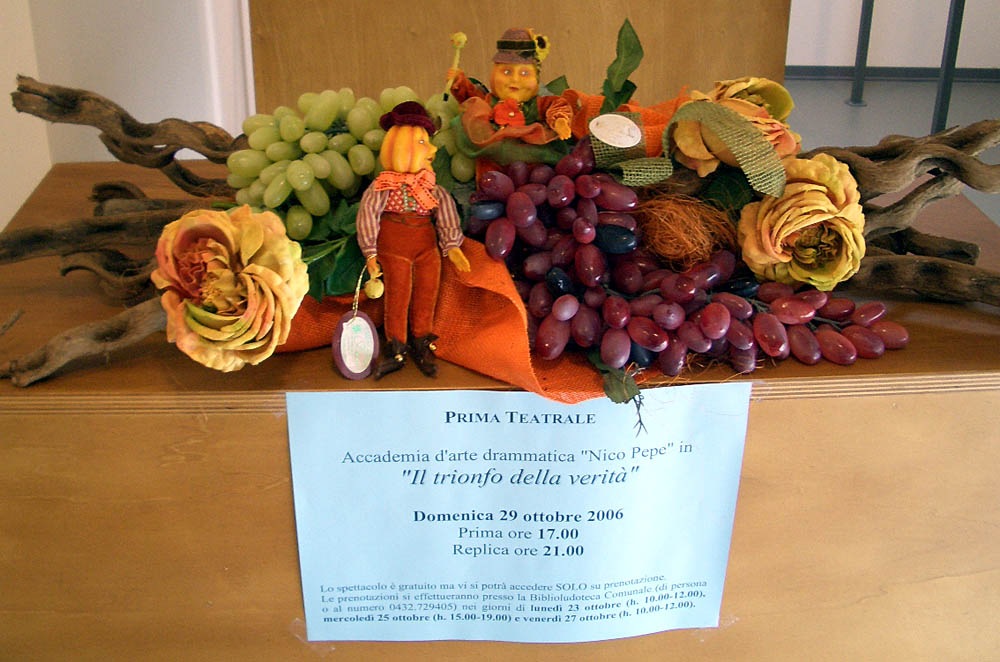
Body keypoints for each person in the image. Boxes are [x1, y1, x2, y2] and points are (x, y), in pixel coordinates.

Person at [356, 102, 470, 378]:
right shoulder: (383, 185)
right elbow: (368, 215)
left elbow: (445, 214)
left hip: (426, 247)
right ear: (401, 147)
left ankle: (422, 341)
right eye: (422, 142)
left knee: (428, 291)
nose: (432, 149)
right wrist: (370, 252)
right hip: (394, 248)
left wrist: (452, 246)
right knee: (398, 294)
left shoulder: (431, 187)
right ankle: (396, 346)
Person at [447, 28, 576, 151]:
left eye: (524, 73)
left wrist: (559, 120)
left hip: (531, 156)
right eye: (507, 72)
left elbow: (556, 105)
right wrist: (458, 81)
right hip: (494, 155)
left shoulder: (536, 105)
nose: (515, 79)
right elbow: (471, 100)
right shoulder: (489, 101)